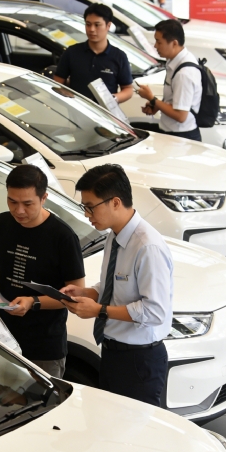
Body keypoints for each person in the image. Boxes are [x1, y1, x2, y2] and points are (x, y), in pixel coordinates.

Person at [61, 164, 173, 406]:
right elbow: (115, 285)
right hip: (113, 351)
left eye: (90, 207)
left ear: (115, 202)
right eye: (84, 207)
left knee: (138, 437)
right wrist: (87, 292)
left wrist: (99, 310)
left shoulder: (147, 246)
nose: (86, 214)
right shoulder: (115, 234)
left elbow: (154, 311)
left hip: (139, 360)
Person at [0, 164, 85, 378]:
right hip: (2, 336)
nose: (19, 211)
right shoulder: (0, 224)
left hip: (44, 346)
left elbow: (77, 294)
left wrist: (33, 302)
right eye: (12, 202)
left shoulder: (62, 236)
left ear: (44, 198)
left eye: (27, 204)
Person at [135, 19, 203, 142]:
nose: (155, 46)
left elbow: (181, 115)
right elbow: (174, 98)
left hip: (181, 138)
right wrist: (156, 106)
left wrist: (152, 99)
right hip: (172, 133)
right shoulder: (175, 61)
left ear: (174, 43)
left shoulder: (184, 73)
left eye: (158, 42)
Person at [52, 3, 134, 103]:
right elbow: (57, 83)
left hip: (106, 114)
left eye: (97, 25)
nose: (91, 29)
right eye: (88, 24)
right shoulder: (72, 52)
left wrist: (113, 99)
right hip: (76, 113)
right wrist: (66, 95)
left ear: (108, 25)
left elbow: (128, 89)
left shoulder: (119, 56)